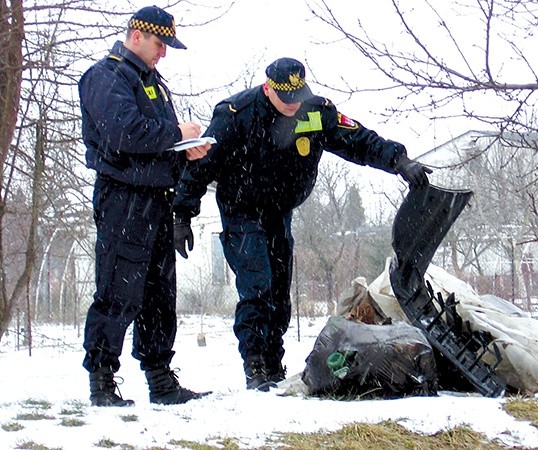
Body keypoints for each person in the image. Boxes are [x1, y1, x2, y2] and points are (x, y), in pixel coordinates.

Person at [173, 57, 432, 392]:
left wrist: (398, 161)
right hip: (242, 210)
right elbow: (201, 165)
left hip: (280, 211)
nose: (293, 105)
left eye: (298, 96)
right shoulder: (237, 114)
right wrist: (182, 214)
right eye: (286, 98)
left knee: (279, 291)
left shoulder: (316, 112)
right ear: (268, 89)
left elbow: (358, 140)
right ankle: (255, 366)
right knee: (257, 286)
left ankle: (272, 362)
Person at [78, 5, 212, 406]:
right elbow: (124, 133)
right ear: (136, 35)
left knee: (158, 295)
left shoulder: (152, 82)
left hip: (157, 199)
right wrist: (175, 133)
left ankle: (160, 380)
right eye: (160, 43)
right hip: (123, 199)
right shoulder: (106, 77)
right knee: (118, 291)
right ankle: (102, 381)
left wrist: (186, 151)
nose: (164, 53)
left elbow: (155, 142)